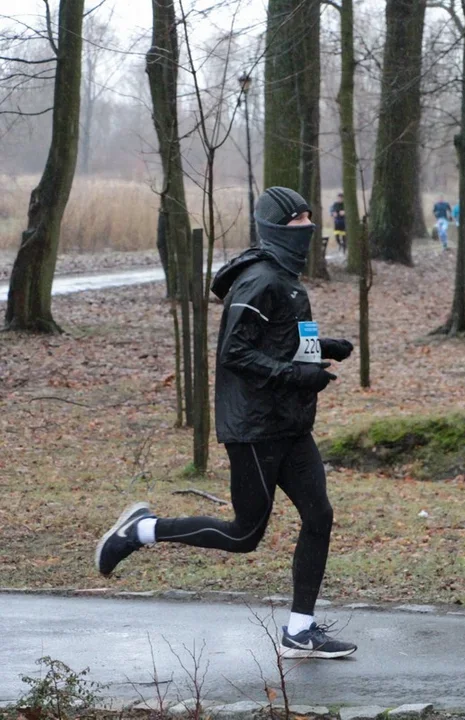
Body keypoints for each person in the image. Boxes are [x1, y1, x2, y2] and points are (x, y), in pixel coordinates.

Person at [95, 187, 358, 660]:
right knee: (244, 535)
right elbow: (234, 353)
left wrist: (325, 348)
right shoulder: (260, 281)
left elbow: (279, 341)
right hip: (255, 428)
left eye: (308, 218)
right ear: (276, 228)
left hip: (291, 424)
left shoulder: (286, 278)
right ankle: (140, 530)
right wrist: (297, 374)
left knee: (319, 516)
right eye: (297, 220)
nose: (307, 226)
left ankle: (300, 630)